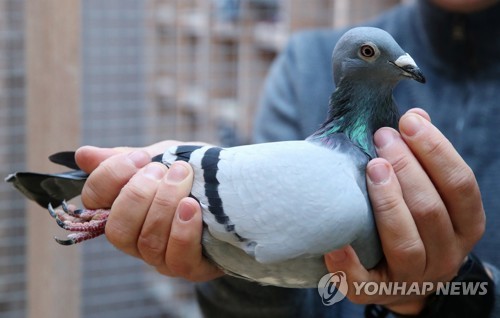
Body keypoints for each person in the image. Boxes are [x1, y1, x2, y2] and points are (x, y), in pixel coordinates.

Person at [74, 0, 500, 316]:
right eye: (371, 55)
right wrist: (233, 280)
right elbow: (278, 268)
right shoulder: (303, 64)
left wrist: (464, 295)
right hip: (199, 193)